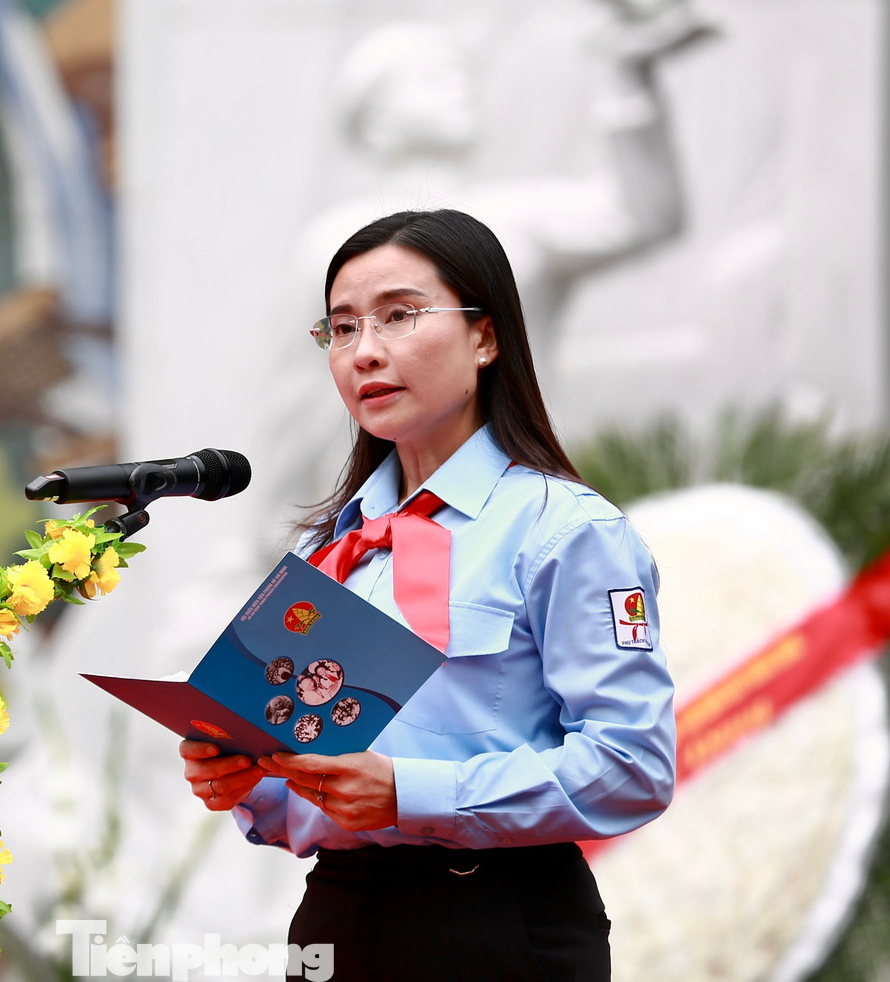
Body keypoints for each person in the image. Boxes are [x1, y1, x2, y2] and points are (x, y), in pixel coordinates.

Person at [179, 209, 676, 981]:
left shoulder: (565, 531)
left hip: (496, 921)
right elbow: (289, 804)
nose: (365, 352)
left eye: (399, 317)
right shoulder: (330, 545)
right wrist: (244, 776)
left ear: (486, 336)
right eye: (341, 329)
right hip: (337, 916)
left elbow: (633, 764)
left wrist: (411, 793)